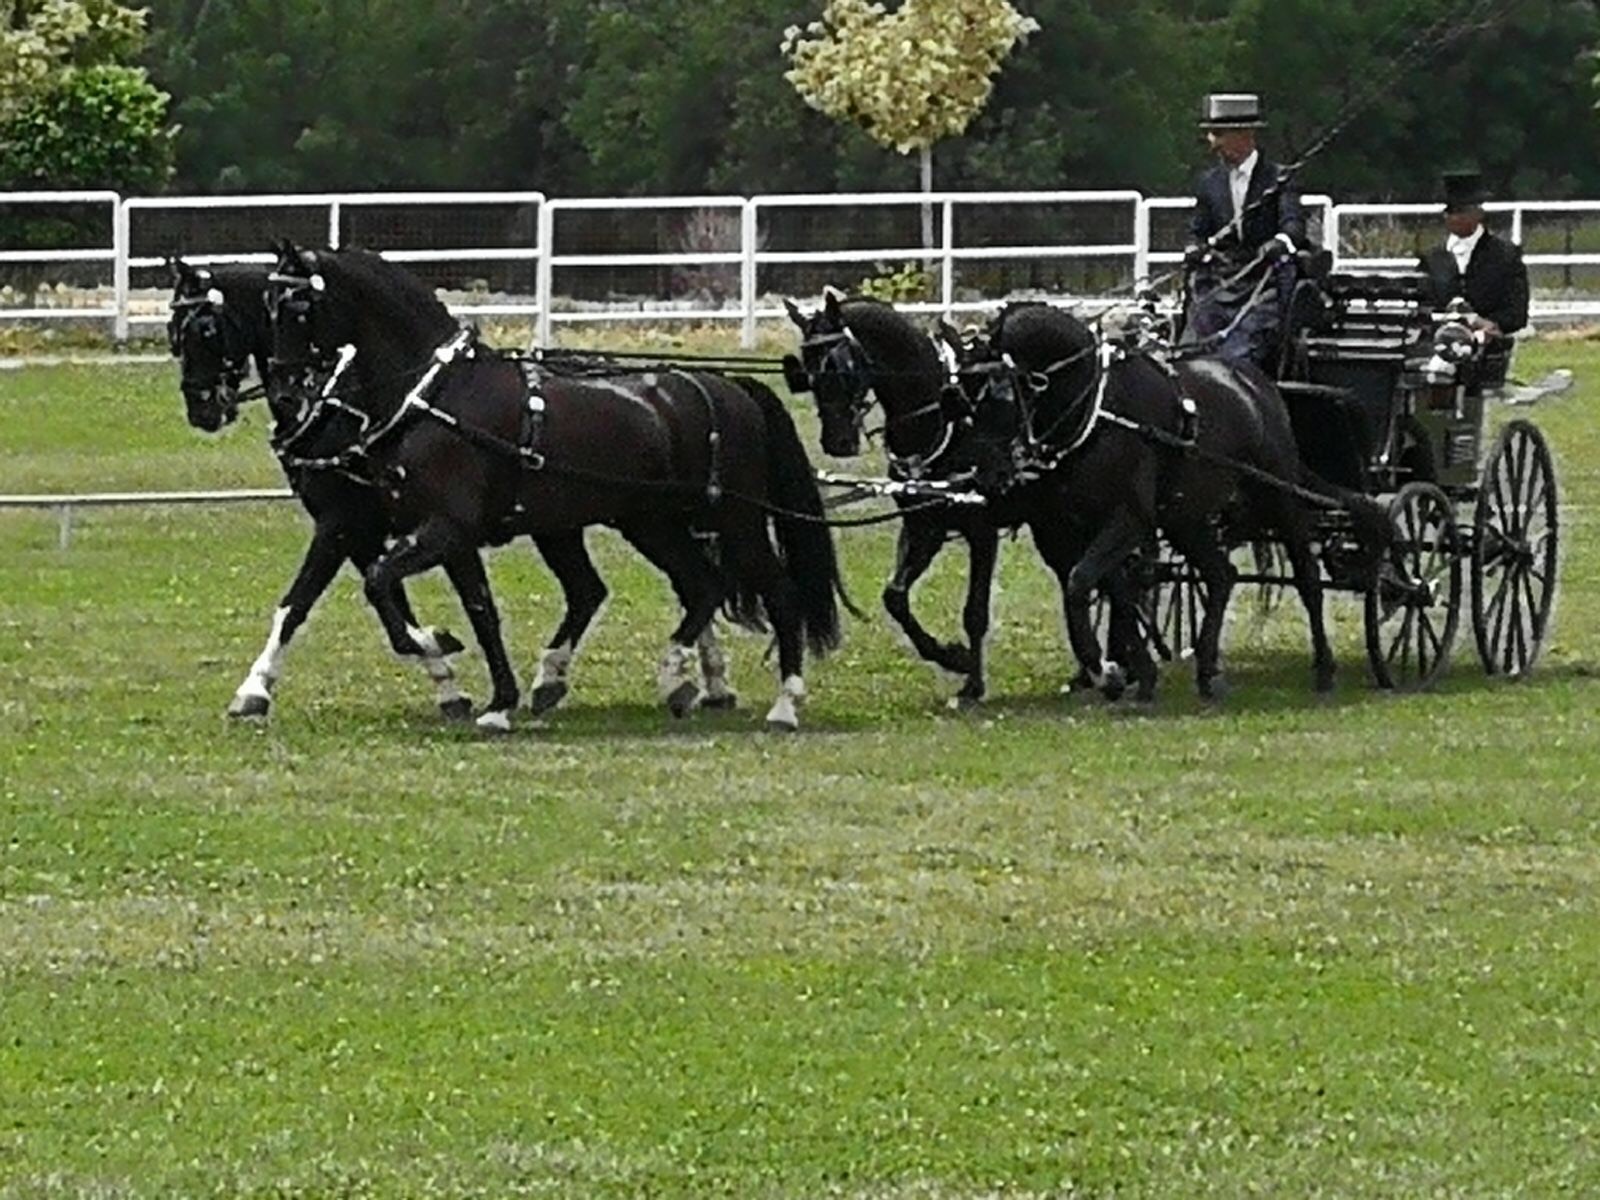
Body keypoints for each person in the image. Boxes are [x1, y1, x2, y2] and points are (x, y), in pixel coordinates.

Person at [1180, 93, 1305, 369]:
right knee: (1194, 343)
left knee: (1240, 346)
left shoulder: (1278, 178)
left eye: (1217, 134)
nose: (1212, 143)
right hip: (1220, 282)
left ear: (1244, 135)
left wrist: (1280, 243)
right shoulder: (1209, 183)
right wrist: (1194, 248)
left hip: (1264, 284)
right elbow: (1197, 231)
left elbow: (1293, 224)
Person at [1418, 170, 1528, 388]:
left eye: (1460, 211)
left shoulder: (1505, 256)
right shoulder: (1432, 259)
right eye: (1449, 211)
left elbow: (1517, 313)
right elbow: (1422, 304)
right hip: (1436, 349)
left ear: (1478, 213)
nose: (1452, 217)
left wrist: (1487, 326)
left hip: (1487, 351)